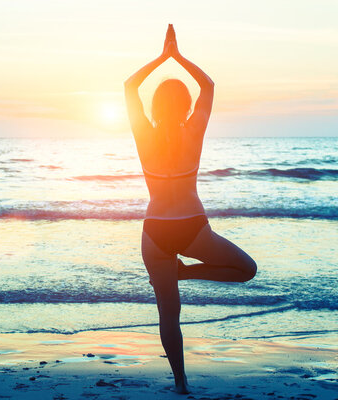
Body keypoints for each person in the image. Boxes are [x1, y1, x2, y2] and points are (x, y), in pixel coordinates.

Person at [124, 24, 257, 394]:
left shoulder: (143, 134)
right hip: (193, 228)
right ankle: (185, 275)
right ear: (184, 105)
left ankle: (181, 383)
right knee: (246, 270)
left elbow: (128, 87)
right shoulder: (193, 130)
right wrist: (178, 58)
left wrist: (160, 58)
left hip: (154, 232)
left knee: (169, 313)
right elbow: (209, 87)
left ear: (154, 106)